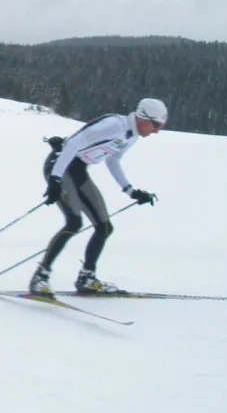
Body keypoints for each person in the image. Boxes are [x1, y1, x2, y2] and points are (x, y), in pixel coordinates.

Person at [29, 97, 166, 296]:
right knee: (74, 223)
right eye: (156, 125)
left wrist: (130, 190)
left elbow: (113, 160)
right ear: (143, 118)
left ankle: (86, 277)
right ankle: (40, 277)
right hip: (61, 165)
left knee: (104, 227)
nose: (156, 130)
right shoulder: (114, 125)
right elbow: (74, 143)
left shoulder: (131, 135)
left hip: (78, 170)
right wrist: (55, 179)